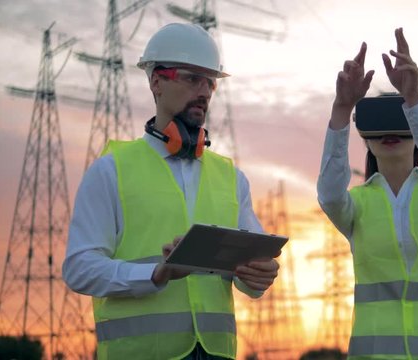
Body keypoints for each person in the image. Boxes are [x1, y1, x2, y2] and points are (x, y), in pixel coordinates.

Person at [63, 23, 280, 360]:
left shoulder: (231, 178)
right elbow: (79, 268)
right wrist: (156, 273)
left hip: (216, 353)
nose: (205, 91)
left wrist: (260, 275)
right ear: (156, 81)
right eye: (192, 78)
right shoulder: (110, 171)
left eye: (210, 82)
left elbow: (252, 273)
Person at [317, 28, 418, 359]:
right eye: (379, 125)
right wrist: (342, 109)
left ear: (416, 133)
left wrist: (413, 99)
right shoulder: (356, 205)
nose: (390, 132)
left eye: (400, 121)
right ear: (367, 139)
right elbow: (329, 194)